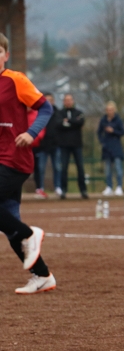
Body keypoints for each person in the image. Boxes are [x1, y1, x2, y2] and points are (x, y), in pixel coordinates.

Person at [0, 33, 56, 294]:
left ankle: (29, 234)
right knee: (9, 221)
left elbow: (45, 109)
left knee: (15, 227)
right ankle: (42, 275)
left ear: (6, 55)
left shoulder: (16, 80)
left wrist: (31, 133)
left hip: (14, 158)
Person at [55, 93, 88, 199]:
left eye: (70, 100)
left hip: (77, 144)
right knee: (63, 168)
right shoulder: (59, 113)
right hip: (64, 145)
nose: (68, 102)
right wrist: (73, 123)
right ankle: (63, 190)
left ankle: (83, 190)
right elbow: (58, 124)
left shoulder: (79, 112)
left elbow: (80, 122)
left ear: (73, 101)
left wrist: (68, 122)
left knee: (80, 168)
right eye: (66, 100)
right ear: (64, 102)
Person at [98, 101, 124, 197]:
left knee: (118, 168)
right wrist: (102, 141)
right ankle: (109, 186)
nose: (109, 111)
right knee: (108, 169)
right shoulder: (103, 120)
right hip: (107, 148)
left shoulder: (118, 120)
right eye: (108, 110)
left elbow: (122, 132)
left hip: (116, 147)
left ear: (114, 110)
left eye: (111, 110)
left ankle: (119, 186)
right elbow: (99, 132)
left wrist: (113, 131)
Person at [31, 91, 56, 198]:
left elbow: (41, 129)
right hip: (29, 146)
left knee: (39, 168)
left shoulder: (40, 113)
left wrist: (33, 136)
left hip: (39, 145)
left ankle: (40, 188)